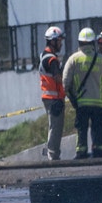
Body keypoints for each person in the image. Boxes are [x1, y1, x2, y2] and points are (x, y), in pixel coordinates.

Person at [62, 27, 102, 159]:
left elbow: (65, 83)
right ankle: (100, 151)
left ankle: (81, 151)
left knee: (81, 128)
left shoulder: (73, 59)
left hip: (81, 103)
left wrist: (73, 97)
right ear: (93, 42)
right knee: (98, 128)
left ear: (79, 42)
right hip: (99, 102)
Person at [39, 26, 66, 161]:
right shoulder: (51, 59)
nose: (61, 44)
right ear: (52, 41)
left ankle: (52, 152)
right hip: (54, 97)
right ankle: (53, 154)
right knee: (56, 126)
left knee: (53, 126)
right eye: (59, 41)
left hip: (49, 96)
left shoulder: (44, 55)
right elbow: (58, 78)